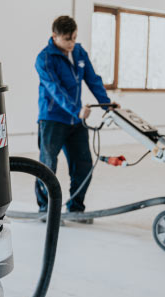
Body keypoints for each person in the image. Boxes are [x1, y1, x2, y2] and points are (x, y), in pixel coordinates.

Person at [34, 15, 116, 224]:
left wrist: (106, 103)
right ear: (54, 36)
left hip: (75, 120)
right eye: (67, 39)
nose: (71, 43)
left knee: (83, 163)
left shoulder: (79, 52)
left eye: (74, 38)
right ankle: (45, 209)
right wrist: (75, 109)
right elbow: (55, 89)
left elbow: (93, 79)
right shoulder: (44, 59)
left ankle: (76, 209)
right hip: (52, 119)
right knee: (47, 164)